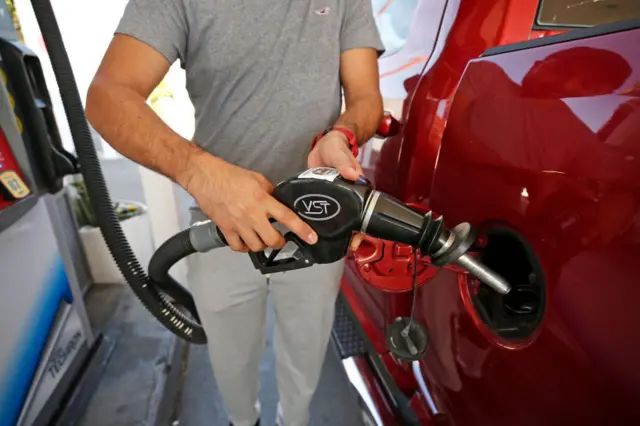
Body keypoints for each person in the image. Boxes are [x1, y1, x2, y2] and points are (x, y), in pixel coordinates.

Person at [85, 1, 385, 425]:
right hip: (219, 223)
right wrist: (202, 175)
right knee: (230, 361)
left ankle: (292, 421)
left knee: (306, 350)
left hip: (315, 222)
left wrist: (342, 133)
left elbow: (365, 96)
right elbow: (107, 95)